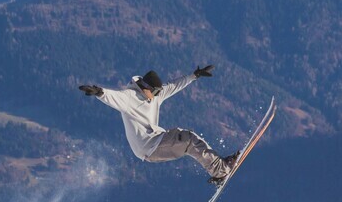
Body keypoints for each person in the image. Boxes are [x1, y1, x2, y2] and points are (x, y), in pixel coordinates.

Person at [78, 64, 238, 185]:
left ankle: (217, 167)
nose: (156, 96)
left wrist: (194, 75)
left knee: (189, 142)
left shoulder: (154, 95)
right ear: (145, 88)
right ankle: (220, 171)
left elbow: (174, 86)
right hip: (149, 146)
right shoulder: (129, 97)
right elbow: (113, 97)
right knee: (187, 138)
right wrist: (99, 92)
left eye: (157, 93)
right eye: (154, 92)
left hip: (155, 143)